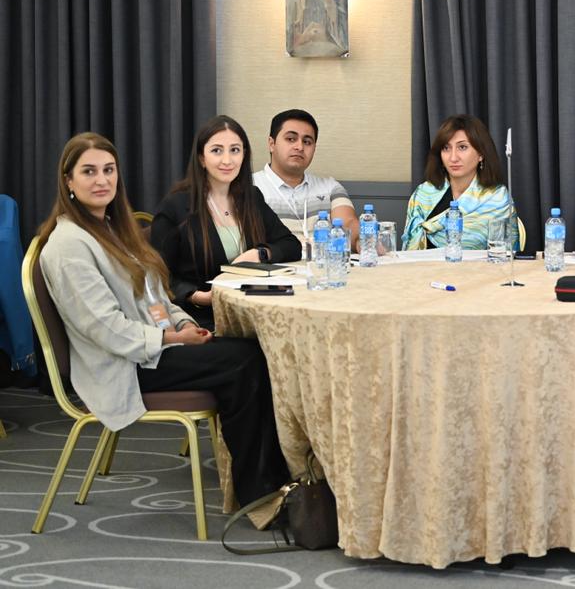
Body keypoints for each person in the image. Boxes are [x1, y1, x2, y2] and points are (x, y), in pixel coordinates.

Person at [39, 132, 290, 506]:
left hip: (151, 350)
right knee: (244, 361)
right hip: (122, 364)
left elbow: (155, 295)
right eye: (89, 171)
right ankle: (260, 492)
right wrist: (174, 339)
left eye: (109, 170)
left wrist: (184, 324)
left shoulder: (112, 228)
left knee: (250, 353)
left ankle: (267, 484)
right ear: (68, 181)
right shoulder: (68, 245)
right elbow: (107, 331)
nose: (102, 180)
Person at [151, 116, 302, 329]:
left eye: (235, 150)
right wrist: (197, 296)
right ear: (202, 158)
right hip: (203, 318)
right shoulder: (176, 206)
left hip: (255, 311)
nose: (227, 160)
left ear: (244, 155)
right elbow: (157, 274)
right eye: (216, 151)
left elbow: (291, 245)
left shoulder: (251, 197)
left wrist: (260, 254)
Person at [252, 109, 360, 250]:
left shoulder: (330, 187)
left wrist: (361, 241)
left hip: (323, 262)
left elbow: (348, 223)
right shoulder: (249, 186)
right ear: (272, 144)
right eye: (291, 139)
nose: (300, 147)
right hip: (277, 263)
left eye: (307, 142)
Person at [401, 114, 513, 251]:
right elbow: (407, 254)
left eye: (462, 147)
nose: (453, 158)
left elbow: (507, 255)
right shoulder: (423, 194)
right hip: (425, 265)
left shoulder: (497, 198)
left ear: (481, 154)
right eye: (446, 148)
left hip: (479, 266)